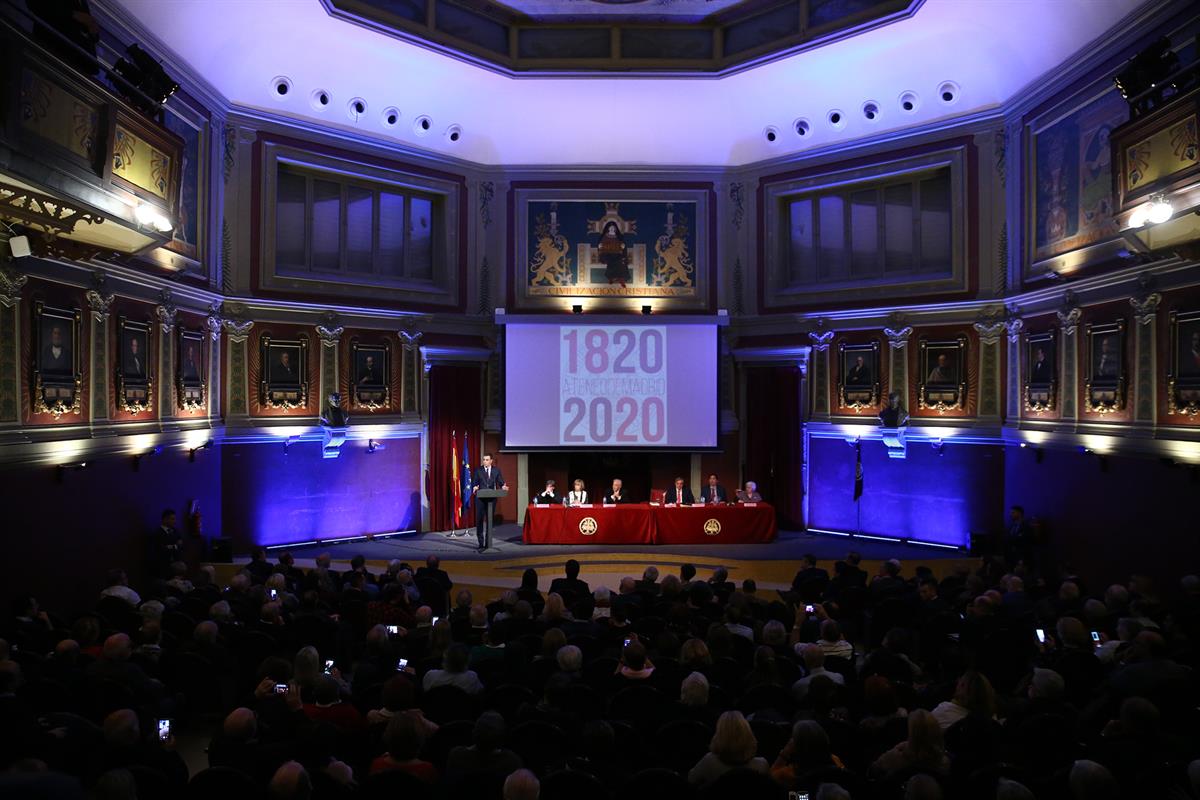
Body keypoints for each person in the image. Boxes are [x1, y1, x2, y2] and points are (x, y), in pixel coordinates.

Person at [687, 710, 768, 787]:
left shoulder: (709, 762)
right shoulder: (761, 766)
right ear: (749, 734)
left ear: (718, 735)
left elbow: (690, 780)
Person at [471, 453, 508, 551]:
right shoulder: (478, 470)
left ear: (491, 461)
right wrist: (475, 487)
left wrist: (503, 487)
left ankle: (488, 543)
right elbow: (475, 483)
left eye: (487, 460)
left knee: (489, 521)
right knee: (479, 520)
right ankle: (480, 543)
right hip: (480, 499)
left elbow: (501, 482)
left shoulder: (496, 470)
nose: (485, 461)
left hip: (492, 498)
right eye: (484, 459)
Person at [597, 220, 629, 287]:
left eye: (613, 228)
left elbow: (622, 244)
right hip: (607, 254)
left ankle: (621, 279)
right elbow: (601, 245)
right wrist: (600, 246)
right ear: (608, 228)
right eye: (610, 228)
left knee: (621, 262)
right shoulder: (605, 236)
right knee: (612, 261)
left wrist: (623, 246)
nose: (612, 229)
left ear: (615, 229)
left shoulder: (618, 236)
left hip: (617, 254)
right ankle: (611, 277)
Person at [151, 508, 182, 577]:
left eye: (174, 519)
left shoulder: (176, 531)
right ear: (165, 519)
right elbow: (161, 549)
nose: (174, 521)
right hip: (163, 565)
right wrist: (175, 546)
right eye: (172, 519)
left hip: (176, 563)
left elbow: (181, 545)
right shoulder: (158, 533)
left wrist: (170, 546)